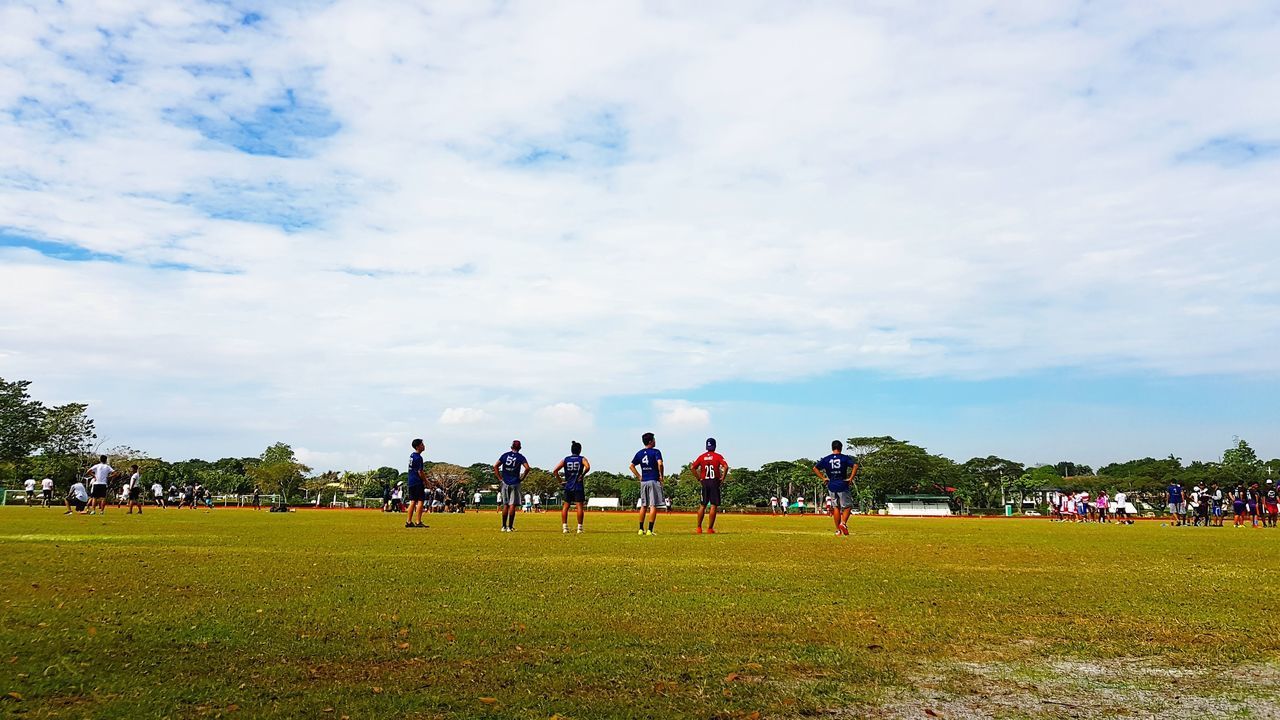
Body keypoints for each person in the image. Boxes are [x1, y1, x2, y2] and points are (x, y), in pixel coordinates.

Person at [814, 440, 859, 536]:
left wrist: (823, 478)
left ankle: (838, 530)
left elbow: (815, 468)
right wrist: (851, 478)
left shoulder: (826, 459)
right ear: (841, 448)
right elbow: (855, 465)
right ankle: (843, 523)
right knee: (847, 506)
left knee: (836, 507)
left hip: (831, 485)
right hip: (842, 484)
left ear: (832, 448)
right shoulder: (844, 458)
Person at [690, 438, 729, 534]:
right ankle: (710, 528)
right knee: (713, 505)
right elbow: (726, 466)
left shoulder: (701, 457)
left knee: (702, 505)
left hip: (705, 482)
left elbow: (692, 467)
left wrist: (699, 478)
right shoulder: (718, 456)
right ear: (715, 446)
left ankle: (699, 528)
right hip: (714, 482)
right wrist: (722, 478)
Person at [630, 432, 664, 536]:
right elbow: (660, 464)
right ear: (650, 441)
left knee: (643, 506)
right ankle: (649, 530)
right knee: (653, 505)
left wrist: (639, 476)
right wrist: (661, 475)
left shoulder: (639, 453)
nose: (655, 441)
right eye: (654, 439)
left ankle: (640, 529)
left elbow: (631, 466)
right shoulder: (656, 452)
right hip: (653, 480)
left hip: (644, 481)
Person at [554, 441, 591, 534]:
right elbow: (588, 467)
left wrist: (560, 481)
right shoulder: (582, 459)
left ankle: (565, 527)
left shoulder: (566, 459)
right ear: (580, 450)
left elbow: (555, 470)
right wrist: (582, 474)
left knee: (566, 506)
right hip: (578, 486)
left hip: (568, 486)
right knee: (579, 506)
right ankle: (579, 528)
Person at [494, 440, 529, 532]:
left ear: (511, 447)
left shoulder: (505, 455)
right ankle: (510, 526)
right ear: (520, 448)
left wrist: (500, 478)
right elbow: (527, 468)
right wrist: (522, 477)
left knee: (505, 504)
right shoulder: (520, 457)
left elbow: (496, 466)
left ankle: (503, 526)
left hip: (505, 482)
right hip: (515, 482)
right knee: (512, 504)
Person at [405, 439, 429, 528]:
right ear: (418, 446)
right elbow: (420, 471)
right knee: (420, 501)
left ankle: (408, 521)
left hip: (411, 481)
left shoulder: (412, 455)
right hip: (417, 481)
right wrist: (426, 481)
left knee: (412, 501)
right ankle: (418, 521)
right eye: (422, 444)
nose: (424, 446)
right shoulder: (419, 457)